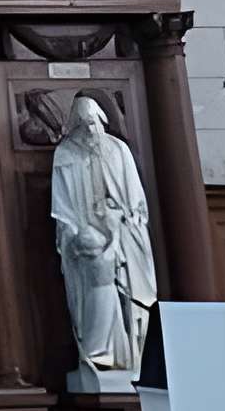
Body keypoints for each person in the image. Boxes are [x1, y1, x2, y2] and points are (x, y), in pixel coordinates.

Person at [49, 94, 157, 377]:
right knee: (99, 279)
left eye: (95, 122)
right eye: (85, 123)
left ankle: (133, 356)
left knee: (133, 291)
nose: (91, 129)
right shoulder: (66, 154)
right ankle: (101, 353)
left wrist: (121, 222)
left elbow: (135, 200)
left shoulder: (117, 150)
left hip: (122, 229)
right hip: (88, 237)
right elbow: (63, 208)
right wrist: (76, 234)